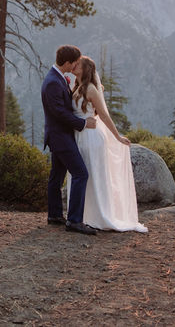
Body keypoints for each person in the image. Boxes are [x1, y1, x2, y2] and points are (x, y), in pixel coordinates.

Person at [69, 55, 148, 233]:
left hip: (91, 138)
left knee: (93, 175)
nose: (74, 66)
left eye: (78, 64)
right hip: (79, 136)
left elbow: (104, 115)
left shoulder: (90, 89)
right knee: (82, 176)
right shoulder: (76, 87)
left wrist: (118, 137)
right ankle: (83, 216)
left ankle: (99, 215)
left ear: (86, 69)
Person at [41, 44, 98, 235]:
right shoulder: (52, 82)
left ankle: (55, 215)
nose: (75, 66)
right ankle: (74, 220)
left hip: (60, 135)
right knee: (81, 173)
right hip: (60, 136)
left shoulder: (57, 78)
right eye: (74, 63)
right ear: (67, 63)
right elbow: (59, 113)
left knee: (56, 176)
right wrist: (82, 124)